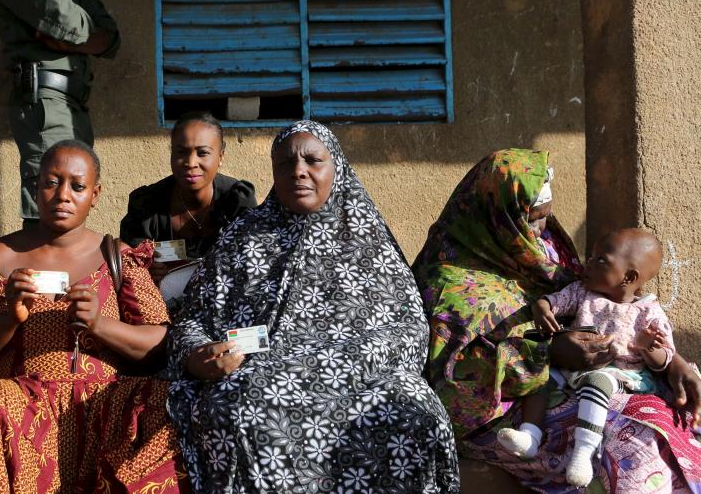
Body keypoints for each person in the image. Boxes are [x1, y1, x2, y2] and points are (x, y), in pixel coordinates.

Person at [167, 121, 460, 493]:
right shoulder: (242, 238)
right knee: (239, 406)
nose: (298, 171)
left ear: (336, 167)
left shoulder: (368, 240)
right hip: (259, 376)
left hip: (361, 379)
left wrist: (326, 367)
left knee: (415, 411)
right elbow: (192, 319)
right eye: (285, 163)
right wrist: (199, 355)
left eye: (312, 160)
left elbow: (409, 332)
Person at [414, 149, 701, 492]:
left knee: (672, 419)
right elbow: (452, 379)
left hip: (584, 380)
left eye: (546, 217)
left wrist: (672, 362)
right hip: (505, 410)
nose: (541, 230)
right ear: (500, 216)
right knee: (631, 446)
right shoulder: (449, 282)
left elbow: (602, 302)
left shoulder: (543, 247)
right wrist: (549, 352)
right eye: (532, 219)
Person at [0, 140, 187, 493]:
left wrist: (100, 324)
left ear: (95, 194)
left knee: (164, 401)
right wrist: (9, 319)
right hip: (23, 409)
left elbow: (161, 345)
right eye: (51, 183)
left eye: (77, 186)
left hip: (104, 407)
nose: (63, 196)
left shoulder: (117, 256)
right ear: (35, 188)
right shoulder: (0, 256)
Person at [498, 228, 674, 486]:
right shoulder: (582, 292)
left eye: (600, 260)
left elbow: (664, 360)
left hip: (621, 374)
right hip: (574, 368)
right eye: (590, 256)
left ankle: (583, 453)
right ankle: (530, 436)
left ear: (628, 277)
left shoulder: (648, 312)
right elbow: (554, 301)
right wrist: (541, 308)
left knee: (597, 382)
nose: (587, 264)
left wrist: (649, 348)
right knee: (539, 375)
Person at [0, 0, 121, 225]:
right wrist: (86, 37)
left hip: (74, 104)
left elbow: (111, 37)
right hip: (46, 104)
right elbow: (64, 21)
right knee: (50, 215)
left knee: (72, 216)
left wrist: (80, 40)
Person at [120, 111, 257, 282]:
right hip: (160, 296)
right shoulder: (148, 204)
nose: (191, 163)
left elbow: (253, 262)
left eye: (202, 153)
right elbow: (128, 263)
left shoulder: (236, 201)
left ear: (220, 157)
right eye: (181, 152)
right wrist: (146, 270)